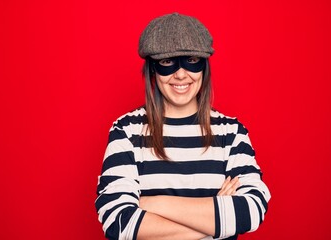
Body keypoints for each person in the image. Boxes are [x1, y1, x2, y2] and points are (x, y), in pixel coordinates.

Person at [95, 13, 271, 240]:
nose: (180, 74)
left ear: (204, 66)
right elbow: (118, 223)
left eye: (191, 60)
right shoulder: (126, 132)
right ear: (152, 69)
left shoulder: (232, 133)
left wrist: (150, 203)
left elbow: (251, 212)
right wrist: (218, 217)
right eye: (167, 62)